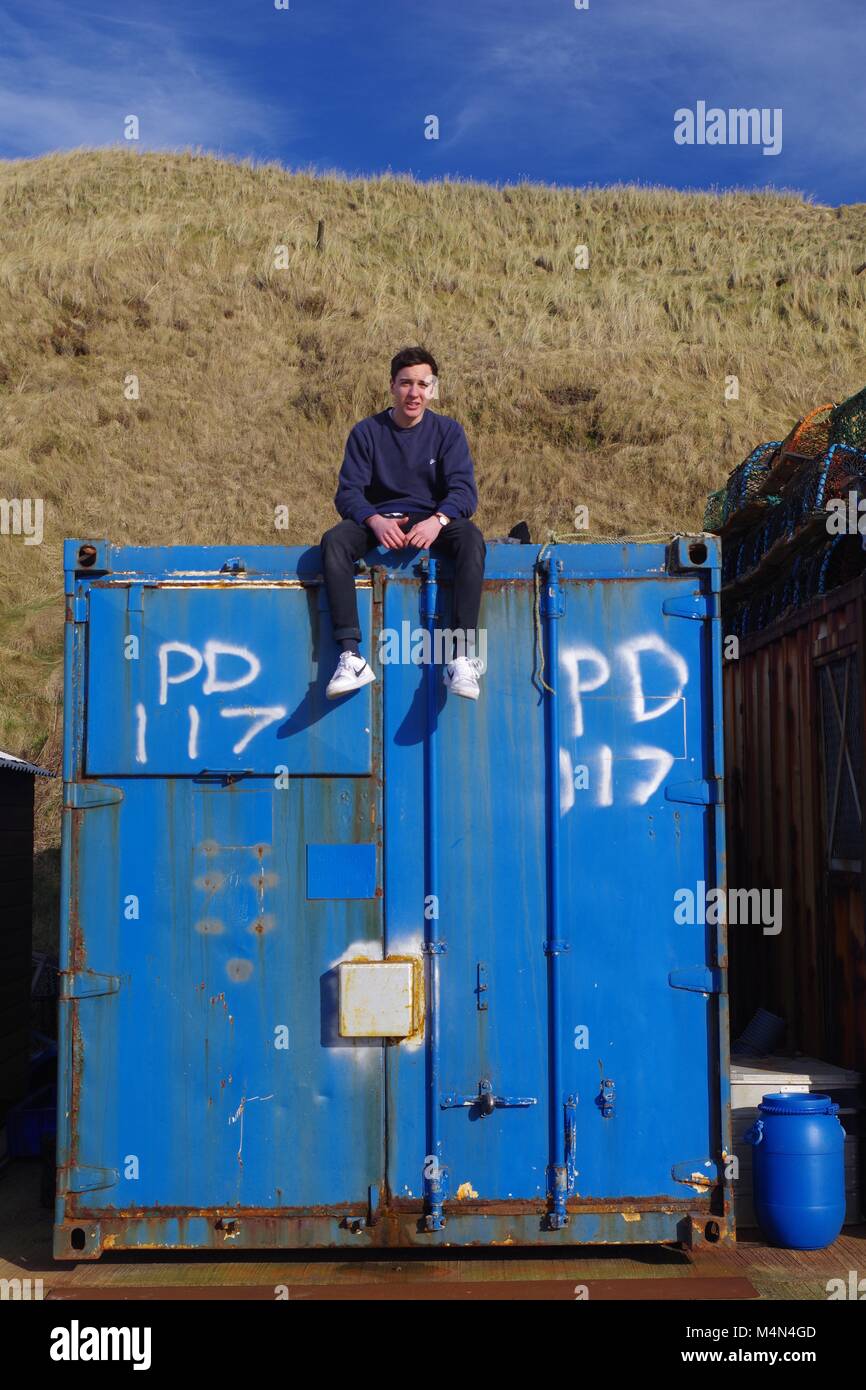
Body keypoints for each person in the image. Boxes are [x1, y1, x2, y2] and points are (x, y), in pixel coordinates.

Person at [320, 346, 487, 700]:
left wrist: (438, 521)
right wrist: (375, 520)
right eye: (406, 383)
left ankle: (461, 657)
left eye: (422, 385)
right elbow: (348, 493)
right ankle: (350, 656)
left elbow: (464, 493)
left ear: (432, 388)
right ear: (392, 386)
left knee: (471, 538)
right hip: (379, 520)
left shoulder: (448, 433)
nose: (414, 393)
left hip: (431, 522)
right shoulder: (366, 433)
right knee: (334, 541)